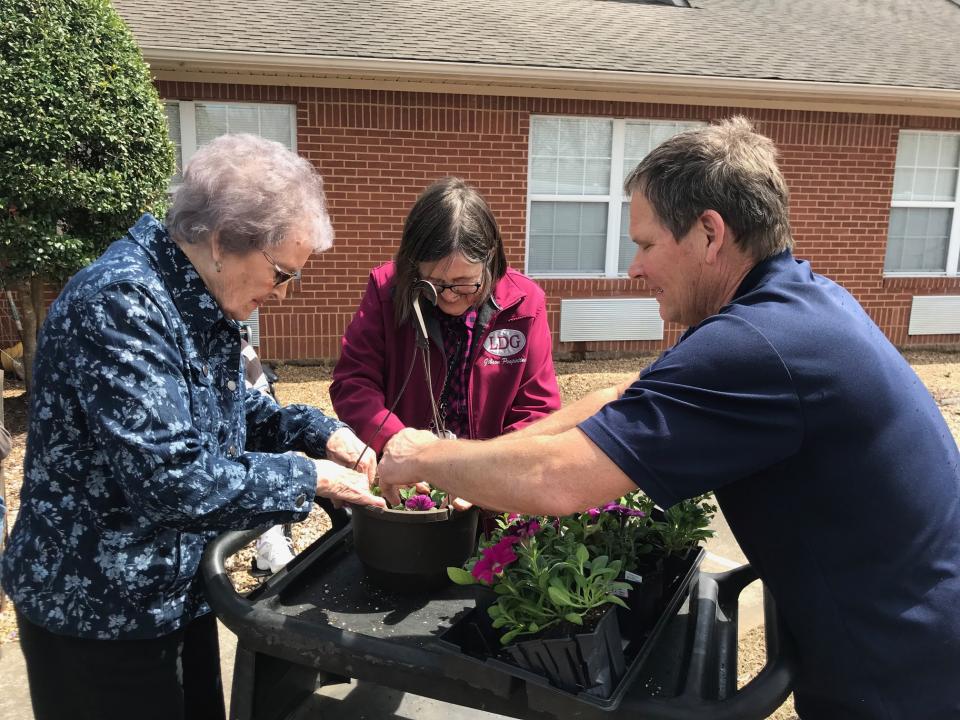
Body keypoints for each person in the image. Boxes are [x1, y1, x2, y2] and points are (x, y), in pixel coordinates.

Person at [378, 118, 960, 719]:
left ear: (710, 232)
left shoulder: (757, 343)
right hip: (903, 629)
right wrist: (481, 458)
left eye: (646, 244)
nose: (634, 267)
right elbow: (621, 397)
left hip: (903, 670)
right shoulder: (793, 304)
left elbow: (560, 480)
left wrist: (424, 455)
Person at [0, 133, 384, 720]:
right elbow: (173, 479)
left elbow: (232, 411)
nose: (284, 293)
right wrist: (312, 477)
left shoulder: (194, 295)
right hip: (101, 612)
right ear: (222, 241)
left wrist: (322, 435)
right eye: (282, 272)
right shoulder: (121, 303)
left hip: (171, 592)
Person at [330, 176, 560, 456]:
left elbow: (538, 409)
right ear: (413, 265)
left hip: (493, 473)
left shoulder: (524, 303)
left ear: (490, 260)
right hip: (406, 468)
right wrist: (394, 439)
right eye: (434, 282)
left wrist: (490, 465)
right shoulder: (386, 289)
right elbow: (353, 382)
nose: (449, 296)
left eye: (464, 282)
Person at [240, 337, 295, 574]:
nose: (281, 297)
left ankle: (269, 540)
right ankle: (269, 536)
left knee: (284, 448)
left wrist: (323, 431)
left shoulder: (239, 347)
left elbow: (262, 413)